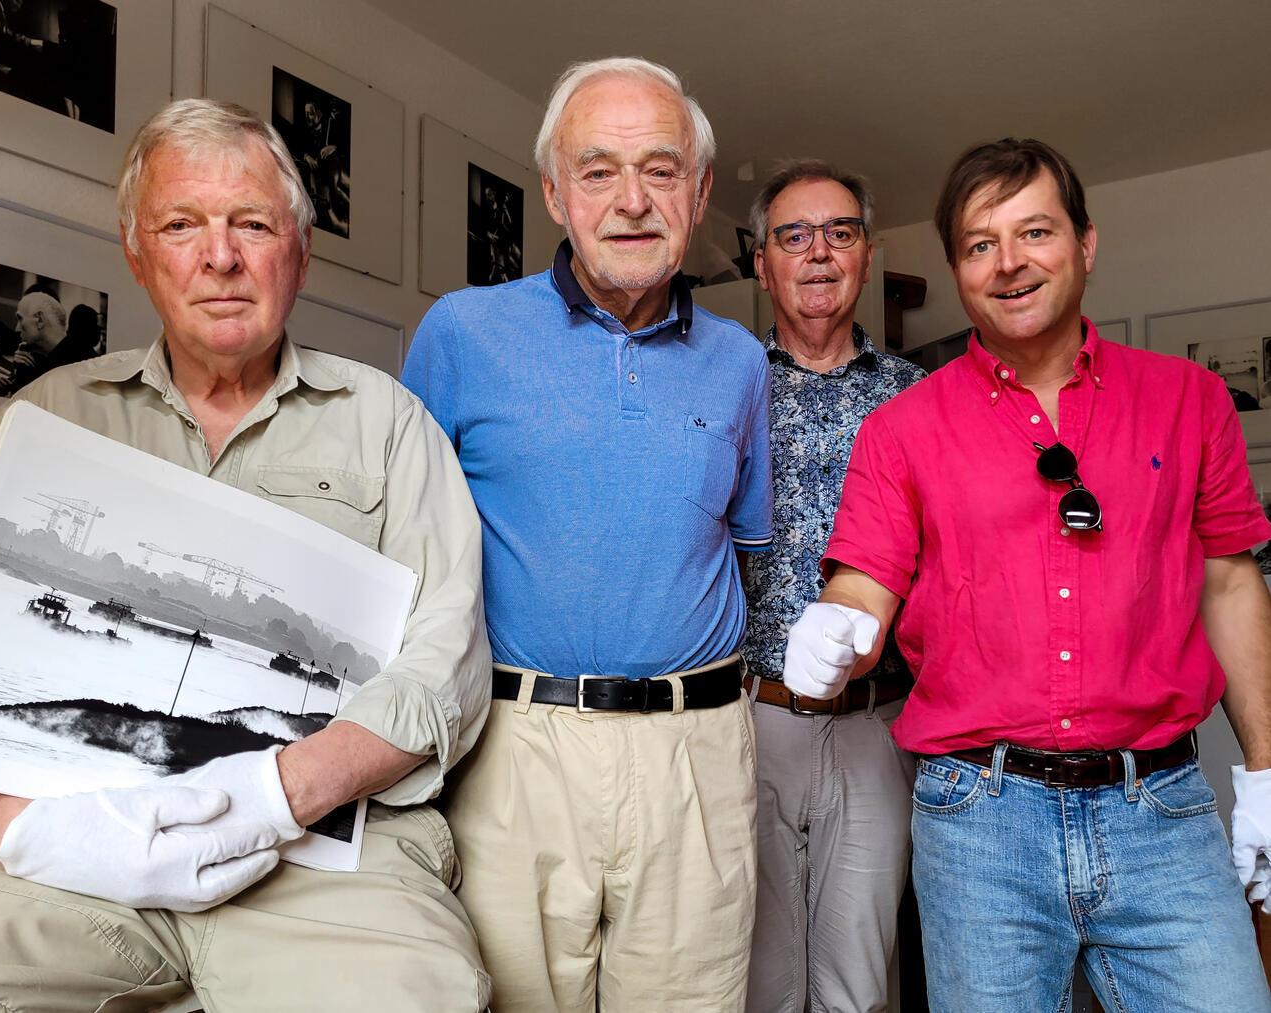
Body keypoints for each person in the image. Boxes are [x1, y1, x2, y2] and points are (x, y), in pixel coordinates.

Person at [0, 98, 493, 1012]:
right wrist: (13, 824)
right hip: (56, 842)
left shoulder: (387, 422)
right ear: (139, 256)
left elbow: (449, 658)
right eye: (182, 225)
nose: (219, 256)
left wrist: (276, 791)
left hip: (322, 857)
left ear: (298, 256)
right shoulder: (47, 414)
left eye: (252, 225)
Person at [783, 137, 1271, 1011]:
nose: (1008, 264)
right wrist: (836, 626)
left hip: (1162, 809)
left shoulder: (1190, 400)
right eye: (979, 244)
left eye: (1034, 232)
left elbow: (1230, 580)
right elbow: (863, 585)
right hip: (980, 822)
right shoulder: (900, 428)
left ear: (1086, 243)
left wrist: (1269, 772)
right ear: (959, 269)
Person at [402, 57, 772, 1012]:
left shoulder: (739, 360)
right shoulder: (461, 333)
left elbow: (743, 551)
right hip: (512, 748)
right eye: (598, 169)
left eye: (659, 168)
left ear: (698, 194)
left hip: (698, 755)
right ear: (556, 194)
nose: (632, 199)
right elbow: (404, 554)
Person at [740, 161, 924, 1013]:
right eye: (794, 236)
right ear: (762, 261)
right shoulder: (724, 387)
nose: (818, 253)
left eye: (839, 233)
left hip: (876, 723)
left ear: (867, 254)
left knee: (861, 981)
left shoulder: (918, 398)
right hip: (749, 716)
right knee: (757, 979)